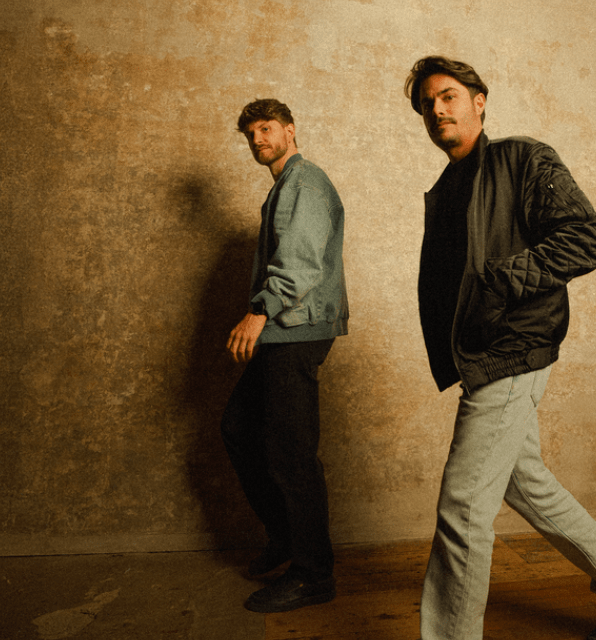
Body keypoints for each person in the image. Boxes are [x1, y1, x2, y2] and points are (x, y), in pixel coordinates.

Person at [404, 56, 596, 640]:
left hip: (513, 349)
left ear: (479, 101)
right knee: (525, 483)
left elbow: (587, 237)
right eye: (426, 104)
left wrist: (501, 282)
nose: (436, 110)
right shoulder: (448, 188)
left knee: (463, 508)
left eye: (447, 96)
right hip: (481, 357)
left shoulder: (523, 159)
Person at [221, 98, 348, 614]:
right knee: (240, 427)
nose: (258, 139)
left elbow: (301, 262)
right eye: (250, 133)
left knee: (291, 453)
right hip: (282, 330)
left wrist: (259, 311)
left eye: (267, 128)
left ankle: (313, 574)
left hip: (295, 329)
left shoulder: (305, 182)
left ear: (290, 130)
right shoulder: (285, 185)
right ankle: (287, 537)